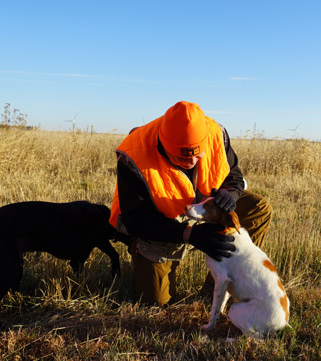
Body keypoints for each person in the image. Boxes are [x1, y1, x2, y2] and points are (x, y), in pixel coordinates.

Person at [109, 101, 273, 306]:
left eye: (198, 154)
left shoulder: (215, 133)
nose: (192, 162)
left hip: (205, 211)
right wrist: (190, 235)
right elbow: (136, 219)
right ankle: (145, 258)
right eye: (182, 158)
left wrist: (230, 194)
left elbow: (234, 176)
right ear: (162, 146)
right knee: (156, 305)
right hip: (160, 228)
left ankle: (218, 289)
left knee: (258, 208)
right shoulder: (133, 154)